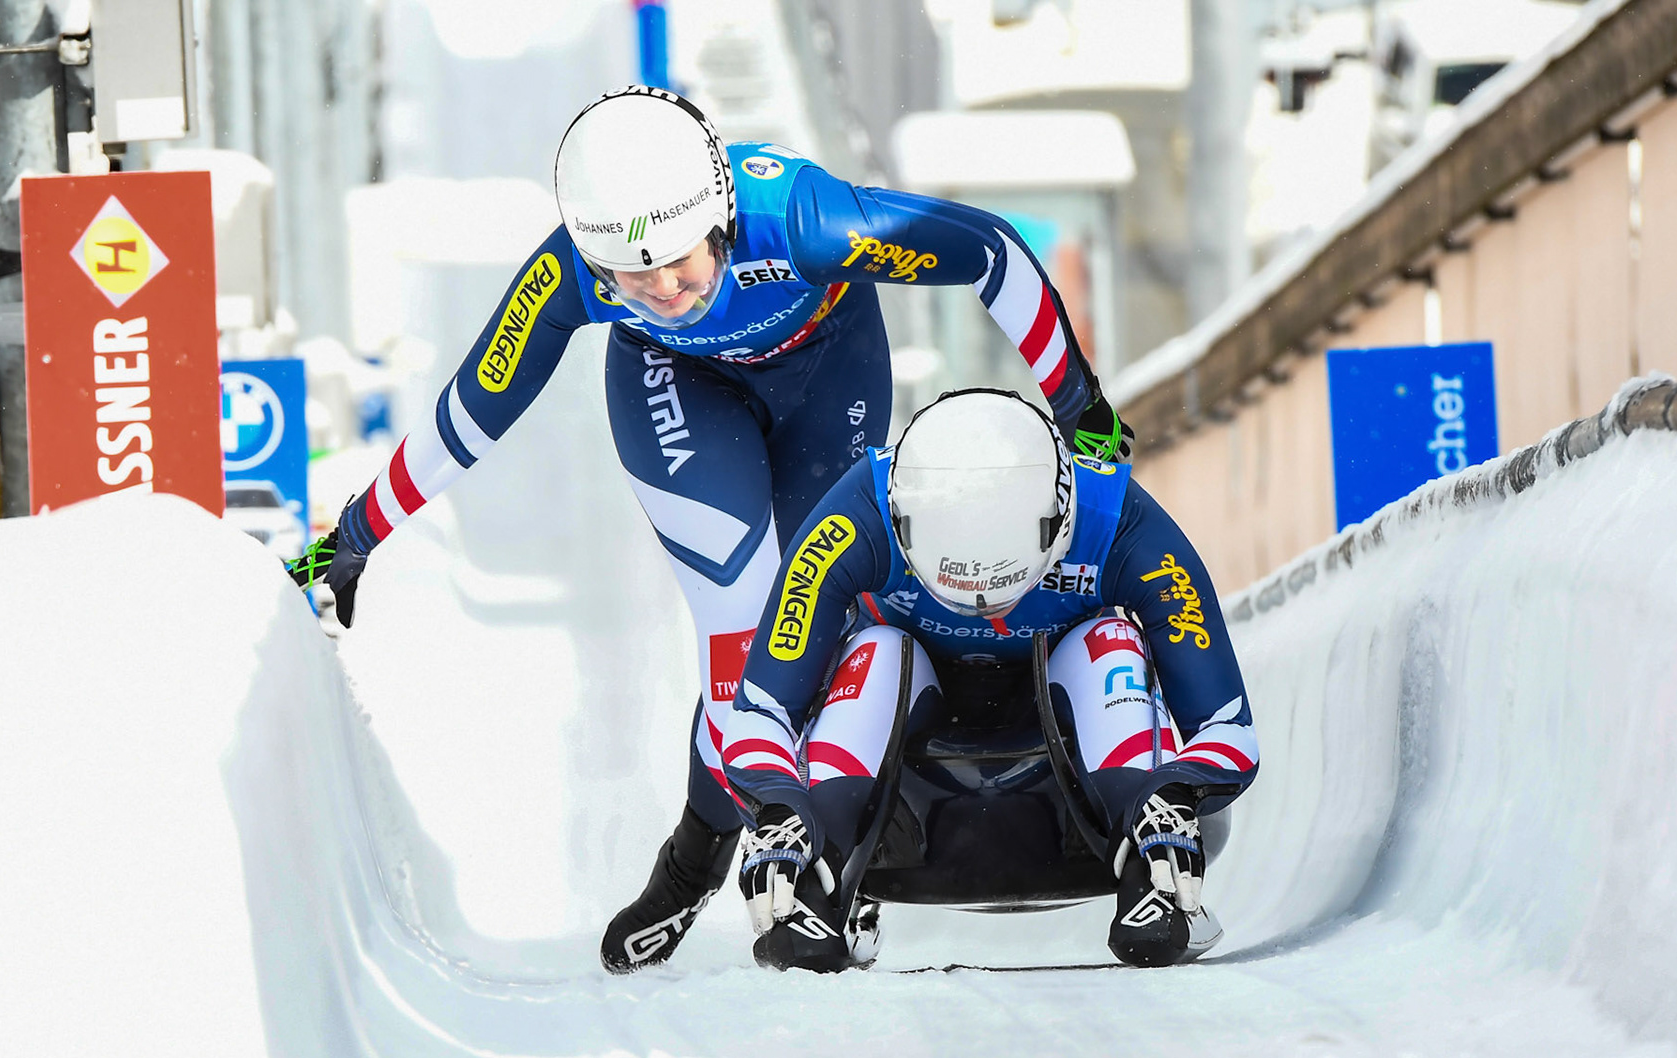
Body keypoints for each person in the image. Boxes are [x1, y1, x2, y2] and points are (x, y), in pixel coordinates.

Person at [285, 87, 1130, 974]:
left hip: (829, 364)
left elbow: (990, 253)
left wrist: (1079, 405)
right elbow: (472, 412)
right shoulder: (567, 272)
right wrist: (353, 537)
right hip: (675, 389)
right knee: (740, 605)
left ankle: (741, 843)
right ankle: (715, 857)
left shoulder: (806, 220)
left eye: (681, 267)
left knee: (830, 611)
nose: (661, 291)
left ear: (723, 219)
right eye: (629, 278)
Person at [717, 387, 1260, 972]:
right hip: (911, 741)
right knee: (878, 648)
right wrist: (779, 805)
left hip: (1070, 727)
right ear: (901, 521)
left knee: (1109, 641)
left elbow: (1226, 722)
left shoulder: (1121, 522)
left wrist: (1177, 790)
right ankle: (818, 885)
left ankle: (1152, 878)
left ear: (1059, 520)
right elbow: (761, 706)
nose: (981, 607)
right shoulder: (854, 518)